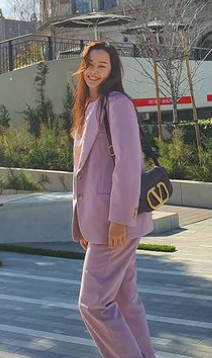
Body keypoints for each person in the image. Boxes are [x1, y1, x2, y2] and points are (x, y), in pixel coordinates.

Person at [70, 41, 156, 358]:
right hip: (99, 223)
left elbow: (128, 164)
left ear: (112, 71)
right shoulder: (88, 107)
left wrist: (119, 219)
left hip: (114, 223)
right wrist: (83, 224)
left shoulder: (117, 103)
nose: (93, 71)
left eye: (101, 66)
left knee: (93, 303)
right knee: (124, 300)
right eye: (89, 64)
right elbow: (85, 172)